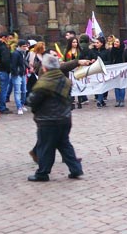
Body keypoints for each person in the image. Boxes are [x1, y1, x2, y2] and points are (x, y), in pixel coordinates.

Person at [25, 54, 84, 182]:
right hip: (64, 118)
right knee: (64, 145)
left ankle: (42, 173)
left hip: (47, 120)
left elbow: (32, 100)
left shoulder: (44, 82)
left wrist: (34, 108)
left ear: (45, 68)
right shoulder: (65, 81)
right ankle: (76, 169)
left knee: (45, 147)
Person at [10, 40, 30, 115]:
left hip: (23, 73)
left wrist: (28, 67)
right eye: (23, 46)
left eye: (25, 46)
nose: (25, 48)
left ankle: (21, 104)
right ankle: (19, 107)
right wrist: (16, 73)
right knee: (18, 91)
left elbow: (24, 62)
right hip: (18, 74)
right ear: (19, 46)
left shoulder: (22, 53)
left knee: (24, 90)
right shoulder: (16, 54)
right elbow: (13, 65)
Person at [108, 37, 126, 107]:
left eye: (117, 42)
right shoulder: (111, 50)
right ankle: (117, 100)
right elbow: (110, 60)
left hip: (122, 69)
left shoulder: (123, 51)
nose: (115, 43)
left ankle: (122, 100)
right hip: (114, 70)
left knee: (122, 85)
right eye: (115, 42)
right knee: (116, 85)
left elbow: (126, 59)